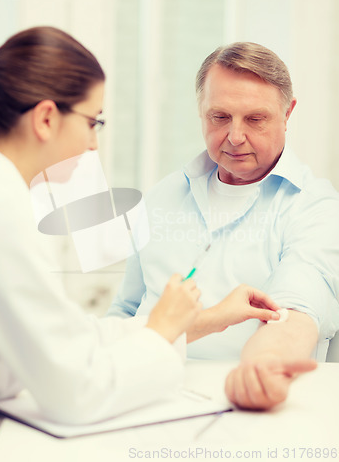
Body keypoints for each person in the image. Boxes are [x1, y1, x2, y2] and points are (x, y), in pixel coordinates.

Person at [0, 28, 285, 461]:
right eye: (93, 121)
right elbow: (78, 391)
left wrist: (191, 321)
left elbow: (70, 338)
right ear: (45, 118)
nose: (94, 142)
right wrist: (159, 329)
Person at [108, 41, 339, 410]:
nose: (234, 136)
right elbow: (127, 308)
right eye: (219, 117)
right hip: (141, 394)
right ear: (201, 111)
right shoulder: (160, 197)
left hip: (246, 401)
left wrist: (262, 368)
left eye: (255, 119)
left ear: (287, 113)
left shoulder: (315, 208)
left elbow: (294, 314)